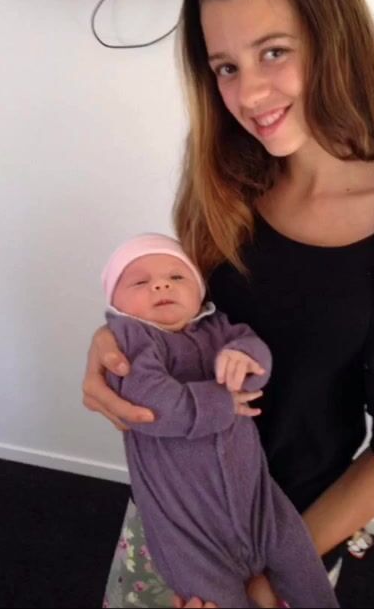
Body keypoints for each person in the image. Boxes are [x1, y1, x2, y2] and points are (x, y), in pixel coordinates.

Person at [83, 0, 374, 609]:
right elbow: (183, 320)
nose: (250, 95)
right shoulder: (225, 182)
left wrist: (269, 583)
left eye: (273, 52)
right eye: (226, 68)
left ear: (335, 38)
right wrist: (111, 340)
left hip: (292, 535)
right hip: (174, 514)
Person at [100, 232, 339, 608]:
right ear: (115, 304)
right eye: (140, 282)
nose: (161, 285)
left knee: (303, 565)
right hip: (187, 527)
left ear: (199, 290)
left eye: (176, 277)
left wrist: (244, 358)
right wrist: (221, 401)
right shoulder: (130, 342)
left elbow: (255, 361)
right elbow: (152, 405)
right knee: (214, 598)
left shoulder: (218, 327)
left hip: (258, 501)